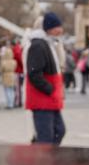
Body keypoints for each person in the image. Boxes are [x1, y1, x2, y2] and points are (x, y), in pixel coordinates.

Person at [26, 12, 66, 144]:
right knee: (46, 138)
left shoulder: (48, 43)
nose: (61, 30)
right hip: (43, 99)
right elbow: (34, 73)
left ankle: (44, 154)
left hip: (50, 98)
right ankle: (41, 156)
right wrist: (50, 88)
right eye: (57, 27)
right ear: (49, 28)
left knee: (59, 130)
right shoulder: (38, 45)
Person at [0, 43, 18, 109]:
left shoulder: (3, 62)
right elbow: (15, 68)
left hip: (6, 76)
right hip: (12, 75)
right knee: (12, 90)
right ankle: (11, 103)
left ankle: (9, 104)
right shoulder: (14, 61)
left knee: (7, 90)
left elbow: (0, 70)